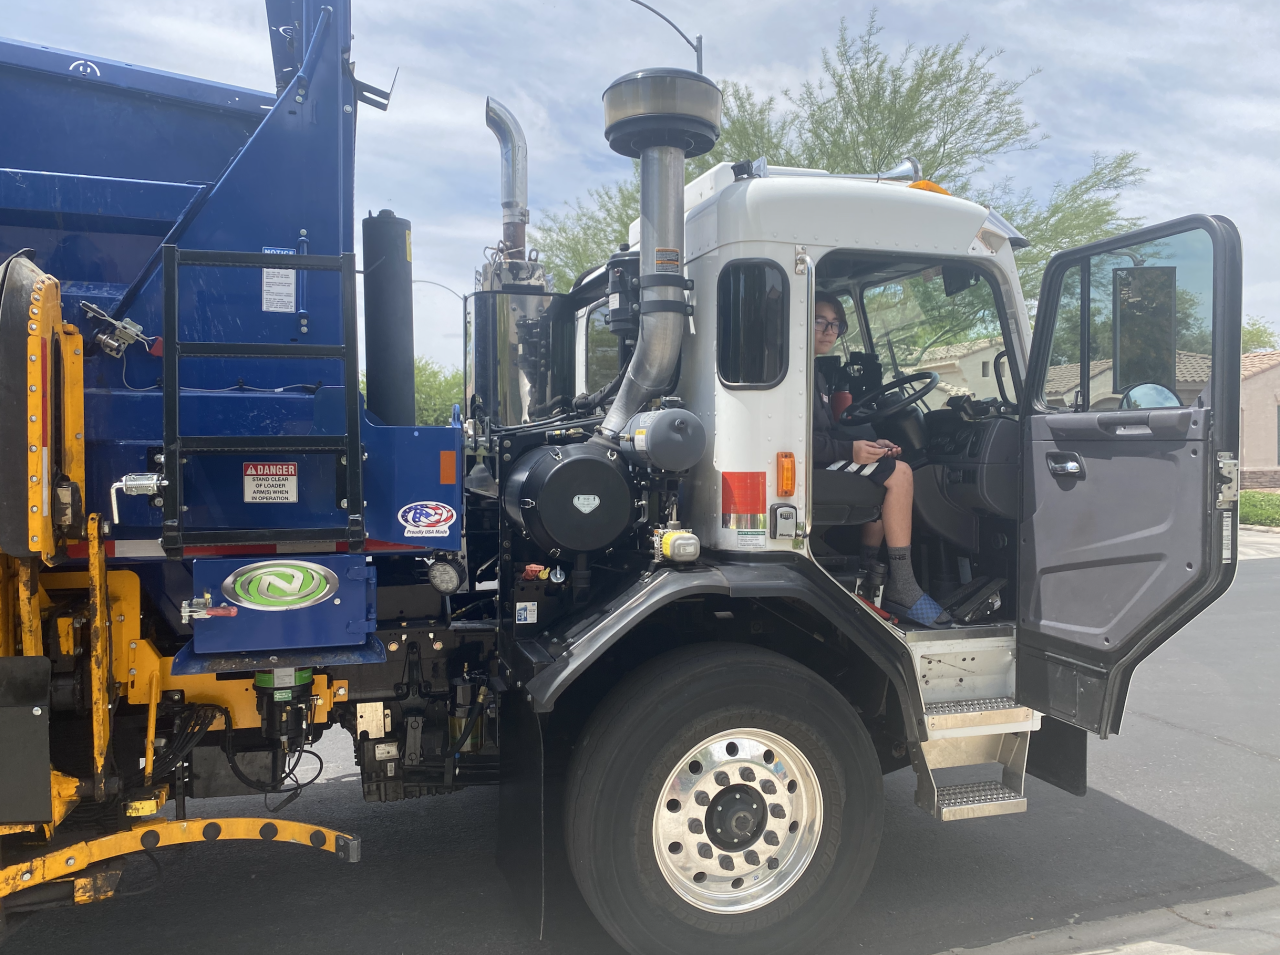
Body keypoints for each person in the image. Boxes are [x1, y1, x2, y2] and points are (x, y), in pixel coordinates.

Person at [812, 291, 951, 628]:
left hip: (817, 459)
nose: (829, 331)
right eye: (820, 321)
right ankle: (902, 586)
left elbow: (827, 430)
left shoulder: (813, 371)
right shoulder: (794, 374)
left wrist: (870, 444)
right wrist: (851, 451)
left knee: (881, 467)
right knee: (899, 474)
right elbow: (796, 441)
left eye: (836, 324)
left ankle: (868, 572)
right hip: (802, 469)